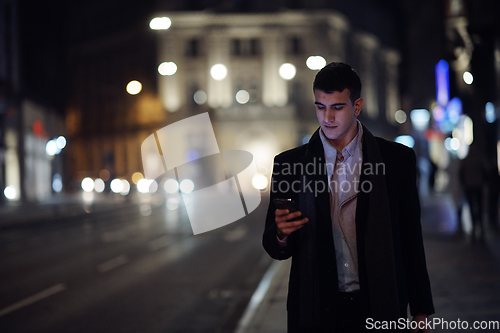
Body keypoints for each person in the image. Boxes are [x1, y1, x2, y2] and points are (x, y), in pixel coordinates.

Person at [262, 62, 434, 332]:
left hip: (378, 305)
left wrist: (421, 309)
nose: (327, 117)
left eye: (337, 107)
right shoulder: (289, 164)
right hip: (317, 309)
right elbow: (273, 245)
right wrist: (282, 234)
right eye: (320, 106)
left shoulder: (396, 160)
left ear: (356, 106)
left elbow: (410, 239)